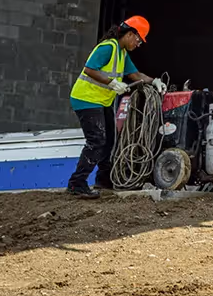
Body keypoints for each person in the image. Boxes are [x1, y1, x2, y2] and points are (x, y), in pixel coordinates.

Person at [66, 16, 155, 199]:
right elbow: (90, 69)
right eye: (138, 40)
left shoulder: (122, 53)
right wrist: (113, 83)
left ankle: (103, 180)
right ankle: (77, 183)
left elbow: (135, 75)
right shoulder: (108, 47)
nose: (138, 44)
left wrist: (155, 82)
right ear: (130, 34)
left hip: (102, 101)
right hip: (86, 99)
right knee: (97, 141)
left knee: (110, 140)